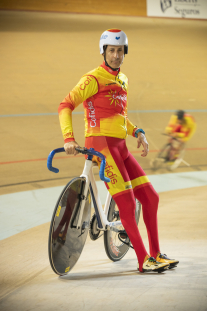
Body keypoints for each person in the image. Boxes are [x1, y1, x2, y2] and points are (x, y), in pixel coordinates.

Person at [58, 29, 178, 273]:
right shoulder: (93, 79)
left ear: (125, 52)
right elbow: (65, 105)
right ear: (103, 52)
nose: (116, 55)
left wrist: (137, 132)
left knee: (151, 198)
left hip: (120, 147)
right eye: (111, 51)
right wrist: (69, 138)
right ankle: (143, 259)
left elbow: (119, 117)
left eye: (120, 51)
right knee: (127, 202)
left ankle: (155, 253)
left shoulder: (123, 79)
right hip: (100, 146)